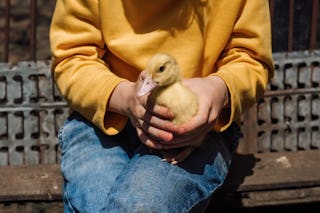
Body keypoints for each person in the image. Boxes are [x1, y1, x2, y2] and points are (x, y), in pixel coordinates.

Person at [50, 0, 273, 212]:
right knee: (96, 199)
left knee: (140, 206)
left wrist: (217, 90)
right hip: (101, 120)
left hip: (199, 130)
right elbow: (73, 56)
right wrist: (125, 98)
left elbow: (250, 58)